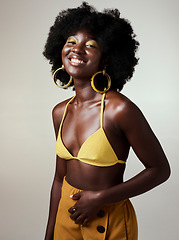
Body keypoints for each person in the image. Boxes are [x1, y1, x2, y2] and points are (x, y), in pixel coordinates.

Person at [43, 2, 170, 240]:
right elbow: (59, 178)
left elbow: (160, 170)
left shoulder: (119, 109)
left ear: (105, 59)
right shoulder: (59, 112)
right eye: (71, 41)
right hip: (65, 218)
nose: (77, 49)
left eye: (90, 45)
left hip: (107, 219)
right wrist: (50, 232)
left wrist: (101, 198)